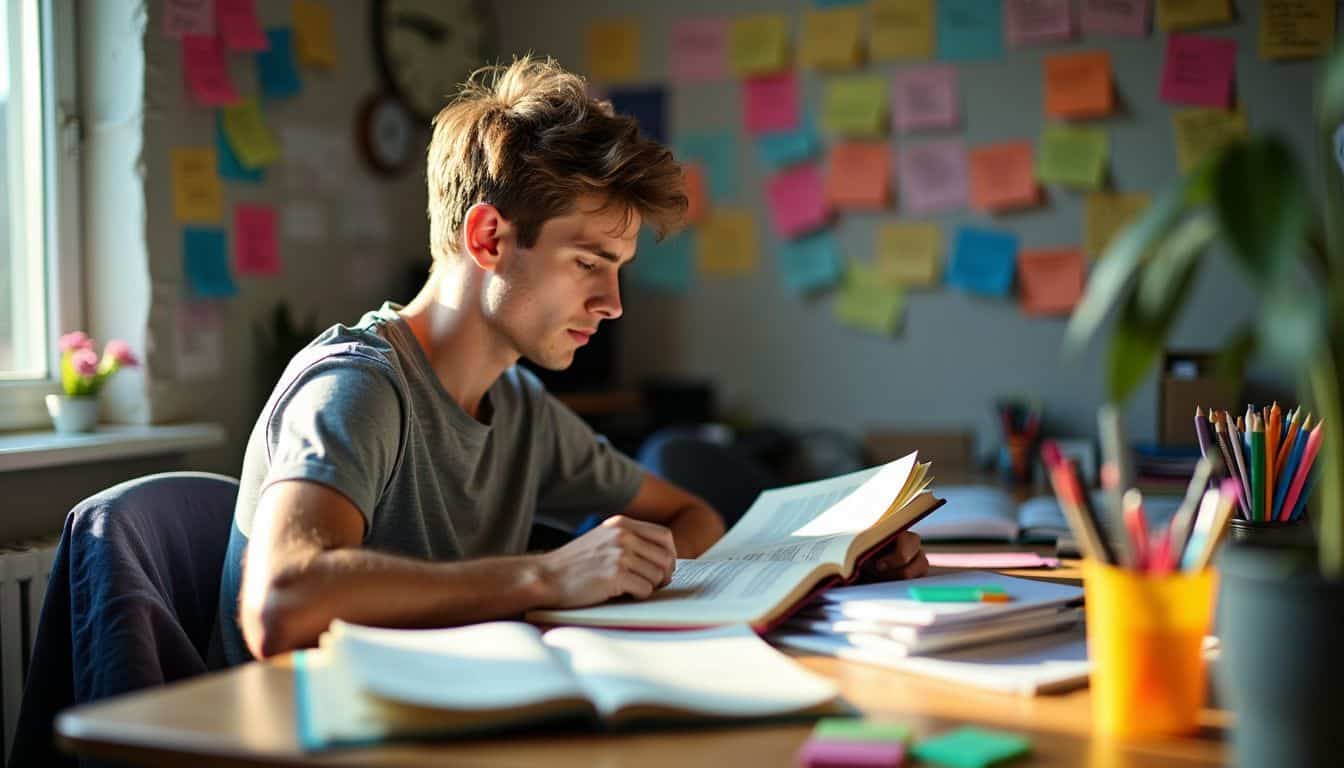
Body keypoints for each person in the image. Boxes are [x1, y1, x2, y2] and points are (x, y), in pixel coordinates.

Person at [211, 56, 928, 666]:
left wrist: (828, 573)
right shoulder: (356, 386)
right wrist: (543, 577)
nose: (613, 303)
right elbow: (282, 604)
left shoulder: (516, 406)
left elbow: (690, 515)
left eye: (618, 269)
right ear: (489, 237)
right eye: (590, 262)